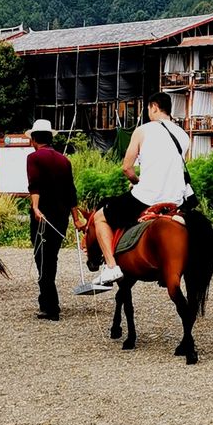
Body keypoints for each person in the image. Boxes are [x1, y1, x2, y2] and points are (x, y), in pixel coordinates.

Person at [93, 92, 190, 284]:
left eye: (148, 109)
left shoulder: (143, 130)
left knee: (100, 217)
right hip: (177, 200)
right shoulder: (183, 135)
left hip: (147, 197)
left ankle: (111, 267)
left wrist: (136, 181)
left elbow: (127, 168)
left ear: (154, 106)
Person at [26, 119, 86, 321]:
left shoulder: (33, 157)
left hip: (42, 216)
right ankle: (49, 302)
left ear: (34, 139)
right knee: (51, 257)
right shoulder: (64, 160)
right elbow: (71, 191)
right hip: (61, 218)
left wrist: (35, 207)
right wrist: (77, 219)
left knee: (41, 259)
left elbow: (34, 184)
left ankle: (50, 307)